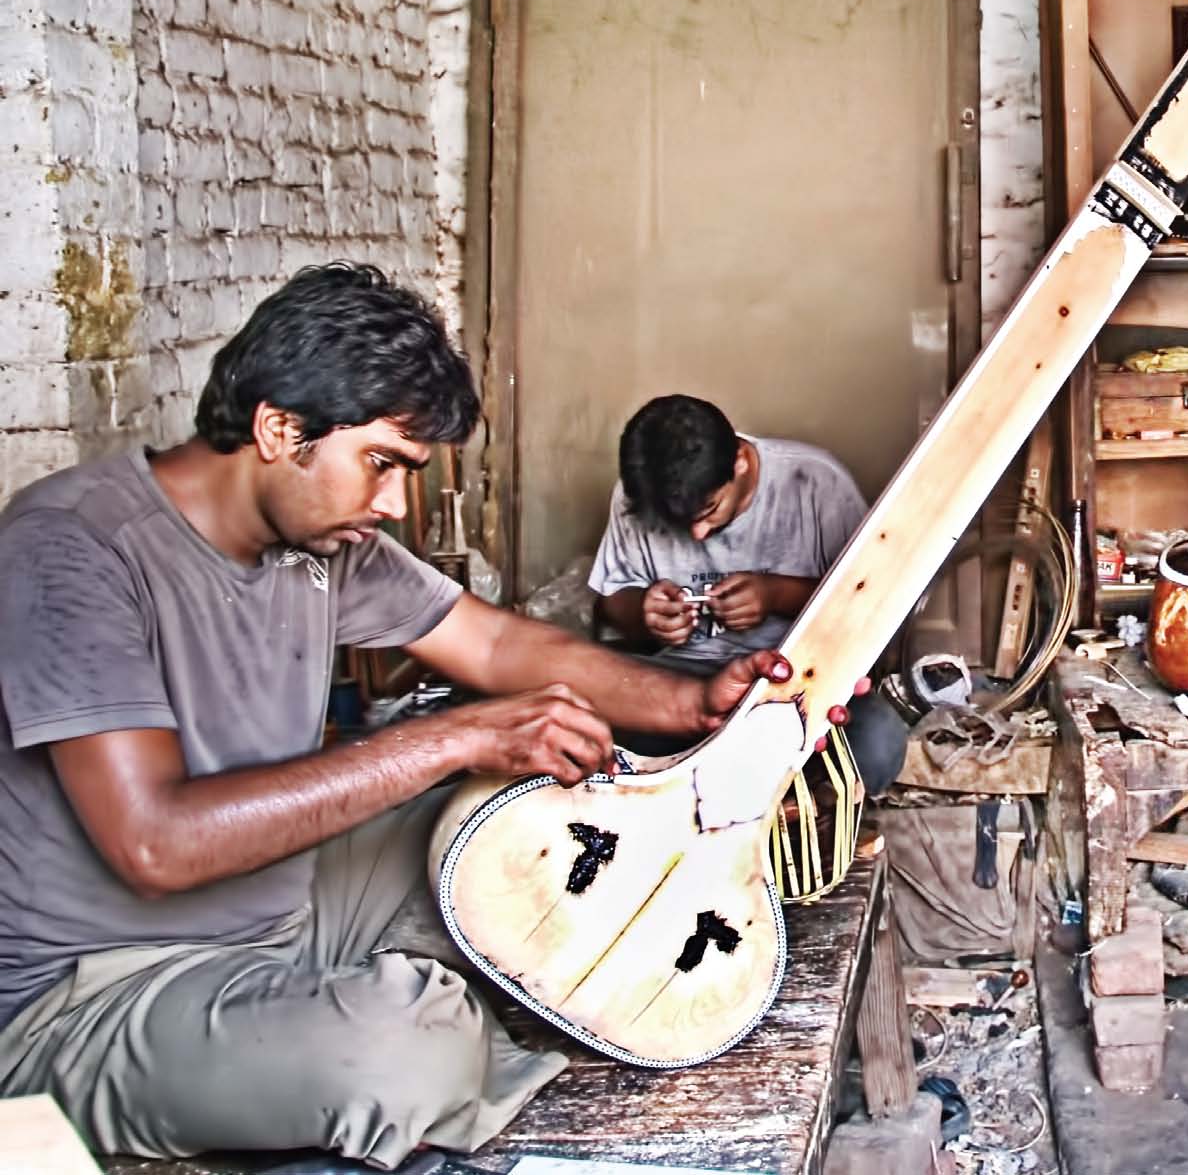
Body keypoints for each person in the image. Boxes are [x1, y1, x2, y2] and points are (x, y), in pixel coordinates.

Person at [0, 265, 861, 1169]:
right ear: (279, 428)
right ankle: (382, 1037)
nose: (392, 505)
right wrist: (450, 736)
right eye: (381, 464)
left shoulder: (321, 543)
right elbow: (155, 842)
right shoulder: (72, 546)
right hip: (96, 986)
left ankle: (353, 1020)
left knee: (528, 834)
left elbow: (495, 648)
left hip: (282, 906)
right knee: (405, 1045)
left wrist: (693, 701)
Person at [590, 395, 908, 792]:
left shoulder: (814, 482)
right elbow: (610, 602)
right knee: (576, 712)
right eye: (677, 522)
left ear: (740, 460)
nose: (697, 535)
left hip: (797, 684)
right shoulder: (637, 495)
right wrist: (643, 612)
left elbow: (872, 608)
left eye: (709, 510)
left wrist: (776, 596)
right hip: (679, 684)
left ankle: (791, 828)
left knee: (876, 742)